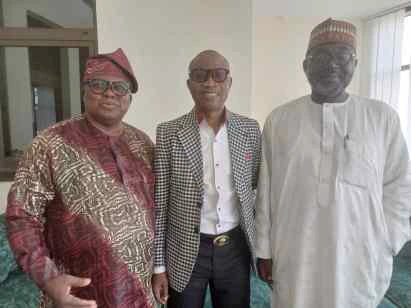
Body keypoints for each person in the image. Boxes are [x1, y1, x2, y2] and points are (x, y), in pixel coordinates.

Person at [255, 18, 411, 308]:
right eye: (321, 57)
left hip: (359, 256)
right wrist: (264, 249)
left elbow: (400, 187)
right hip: (295, 250)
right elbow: (265, 191)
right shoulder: (280, 120)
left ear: (355, 64)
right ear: (305, 66)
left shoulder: (381, 118)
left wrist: (387, 242)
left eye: (343, 56)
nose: (332, 65)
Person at [6, 48, 156, 308]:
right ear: (84, 91)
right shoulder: (50, 143)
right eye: (99, 85)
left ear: (129, 99)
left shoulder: (142, 144)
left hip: (140, 293)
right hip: (79, 295)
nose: (110, 93)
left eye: (120, 87)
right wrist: (48, 278)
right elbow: (22, 217)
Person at [152, 49, 261, 308]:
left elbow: (255, 186)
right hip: (186, 248)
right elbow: (159, 203)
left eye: (219, 75)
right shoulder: (168, 133)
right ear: (190, 84)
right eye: (200, 75)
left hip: (235, 248)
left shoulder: (249, 129)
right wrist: (158, 266)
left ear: (229, 82)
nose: (210, 82)